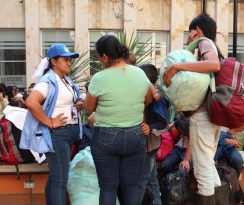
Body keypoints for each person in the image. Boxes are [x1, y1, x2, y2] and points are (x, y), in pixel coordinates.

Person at [85, 35, 153, 205]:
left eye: (99, 57)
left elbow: (89, 107)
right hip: (136, 135)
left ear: (105, 56)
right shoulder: (139, 73)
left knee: (108, 187)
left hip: (106, 136)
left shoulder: (100, 78)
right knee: (131, 186)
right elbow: (149, 100)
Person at [163, 13, 222, 204]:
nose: (188, 37)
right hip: (212, 117)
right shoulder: (212, 45)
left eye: (190, 32)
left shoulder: (204, 42)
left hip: (203, 118)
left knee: (202, 171)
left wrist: (177, 66)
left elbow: (214, 65)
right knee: (209, 167)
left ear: (196, 30)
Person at [20, 43, 83, 205]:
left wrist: (77, 105)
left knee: (57, 176)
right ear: (54, 61)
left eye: (70, 59)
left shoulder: (65, 80)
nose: (69, 62)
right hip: (58, 134)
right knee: (60, 179)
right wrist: (49, 122)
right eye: (65, 59)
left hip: (67, 132)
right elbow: (32, 102)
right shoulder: (47, 80)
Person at [137, 64, 169, 205]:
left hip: (150, 146)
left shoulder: (158, 101)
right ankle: (157, 201)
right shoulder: (139, 96)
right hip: (143, 145)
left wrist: (149, 128)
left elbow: (163, 124)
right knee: (152, 177)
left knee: (142, 179)